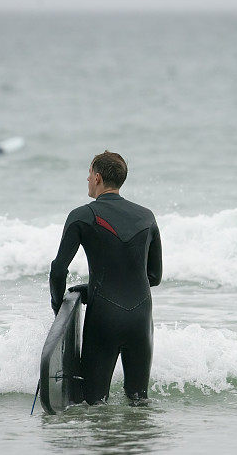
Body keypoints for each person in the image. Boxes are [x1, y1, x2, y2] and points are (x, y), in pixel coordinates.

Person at [49, 151, 163, 405]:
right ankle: (136, 443)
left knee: (94, 403)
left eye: (89, 173)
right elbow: (154, 276)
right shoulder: (147, 216)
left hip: (104, 319)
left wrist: (59, 307)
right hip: (140, 319)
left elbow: (58, 270)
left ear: (98, 177)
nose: (87, 179)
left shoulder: (82, 215)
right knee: (138, 401)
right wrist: (96, 288)